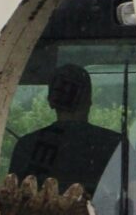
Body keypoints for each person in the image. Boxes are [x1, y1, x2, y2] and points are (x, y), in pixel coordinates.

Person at [9, 64, 123, 197]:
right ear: (89, 100)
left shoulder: (27, 147)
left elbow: (14, 199)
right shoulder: (117, 145)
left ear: (51, 101)